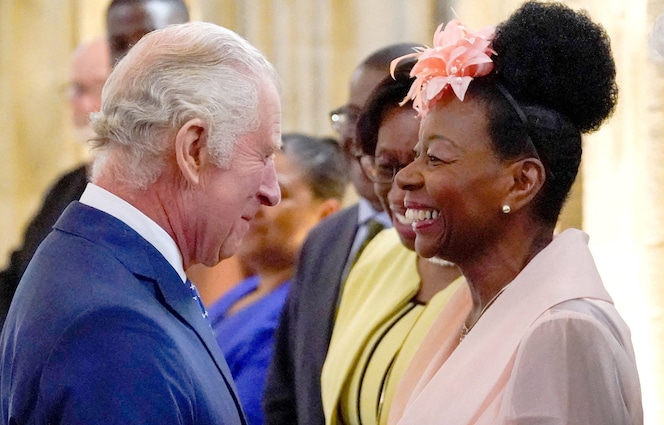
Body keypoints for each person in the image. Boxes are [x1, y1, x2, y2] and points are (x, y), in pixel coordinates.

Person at [0, 21, 282, 424]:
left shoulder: (102, 266)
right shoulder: (111, 330)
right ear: (193, 150)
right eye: (262, 156)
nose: (272, 191)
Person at [386, 2, 643, 424]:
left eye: (435, 158)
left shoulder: (563, 330)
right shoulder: (465, 306)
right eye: (416, 155)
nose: (405, 178)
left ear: (521, 182)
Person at [0, 0, 190, 355]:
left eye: (146, 42)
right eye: (120, 46)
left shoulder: (194, 173)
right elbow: (17, 276)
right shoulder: (69, 186)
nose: (131, 62)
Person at [263, 43, 420, 425]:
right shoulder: (325, 239)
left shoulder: (442, 247)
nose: (359, 136)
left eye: (379, 117)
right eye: (352, 117)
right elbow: (285, 391)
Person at [320, 61, 464, 425]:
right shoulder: (376, 256)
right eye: (387, 166)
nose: (403, 186)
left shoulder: (511, 286)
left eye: (431, 162)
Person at [208, 133, 349, 425]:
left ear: (326, 215)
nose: (253, 206)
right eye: (249, 189)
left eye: (276, 193)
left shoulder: (299, 310)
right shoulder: (246, 291)